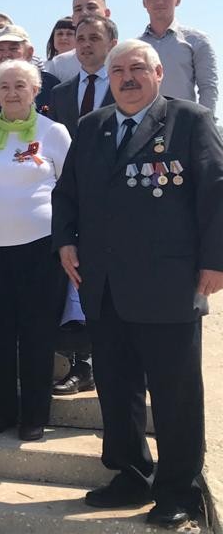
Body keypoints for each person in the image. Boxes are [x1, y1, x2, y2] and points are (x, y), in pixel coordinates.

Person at [52, 39, 223, 529]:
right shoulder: (93, 126)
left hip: (169, 282)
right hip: (103, 285)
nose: (127, 78)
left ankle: (179, 492)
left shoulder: (188, 120)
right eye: (119, 70)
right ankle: (129, 474)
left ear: (158, 74)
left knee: (175, 395)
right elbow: (68, 194)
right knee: (117, 389)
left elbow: (215, 193)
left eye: (137, 69)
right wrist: (64, 241)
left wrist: (216, 261)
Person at [0, 60, 71, 441]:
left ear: (35, 90)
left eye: (20, 85)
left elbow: (70, 189)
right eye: (5, 86)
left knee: (37, 334)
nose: (12, 92)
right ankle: (2, 411)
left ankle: (34, 415)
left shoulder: (54, 132)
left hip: (40, 248)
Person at [47, 14, 118, 396]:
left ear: (110, 42)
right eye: (80, 38)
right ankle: (81, 363)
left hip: (115, 201)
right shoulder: (60, 93)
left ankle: (115, 363)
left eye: (94, 37)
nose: (86, 45)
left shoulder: (125, 85)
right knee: (74, 278)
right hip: (71, 197)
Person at [139, 0, 217, 114]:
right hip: (142, 125)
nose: (159, 1)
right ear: (144, 2)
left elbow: (208, 88)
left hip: (183, 123)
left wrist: (206, 123)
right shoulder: (136, 46)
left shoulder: (196, 41)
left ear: (178, 0)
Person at [0, 25, 60, 130]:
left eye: (13, 49)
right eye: (0, 50)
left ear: (29, 53)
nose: (6, 54)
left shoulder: (52, 86)